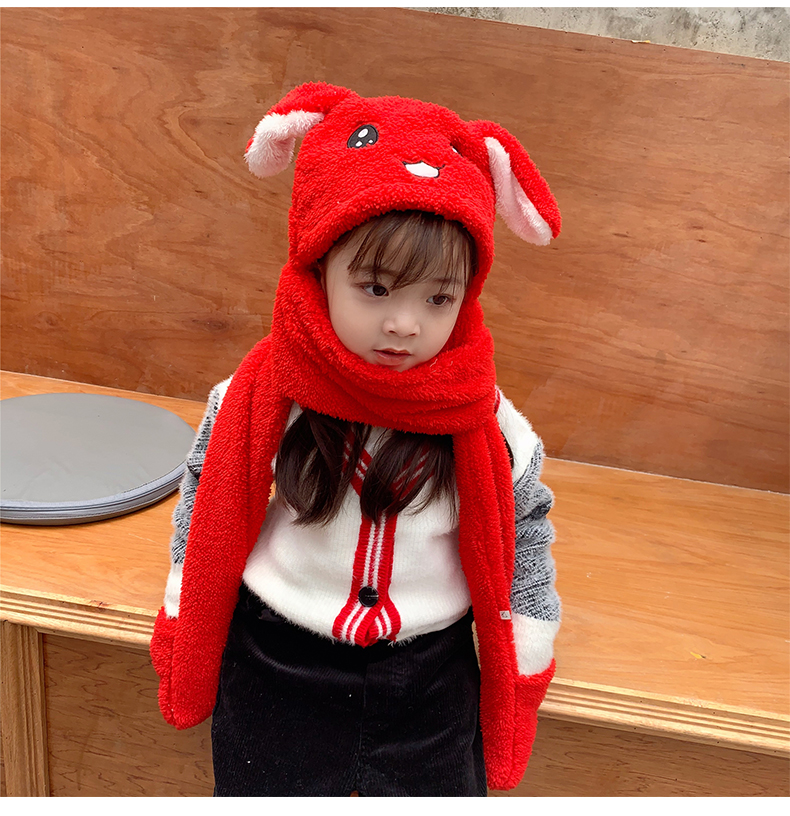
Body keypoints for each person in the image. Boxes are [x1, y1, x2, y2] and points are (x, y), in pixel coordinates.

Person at [150, 82, 562, 797]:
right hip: (277, 659)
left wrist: (528, 641)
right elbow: (204, 499)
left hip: (429, 677)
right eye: (375, 288)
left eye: (438, 297)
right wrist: (183, 617)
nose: (405, 324)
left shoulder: (487, 422)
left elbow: (525, 531)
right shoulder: (264, 394)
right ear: (320, 267)